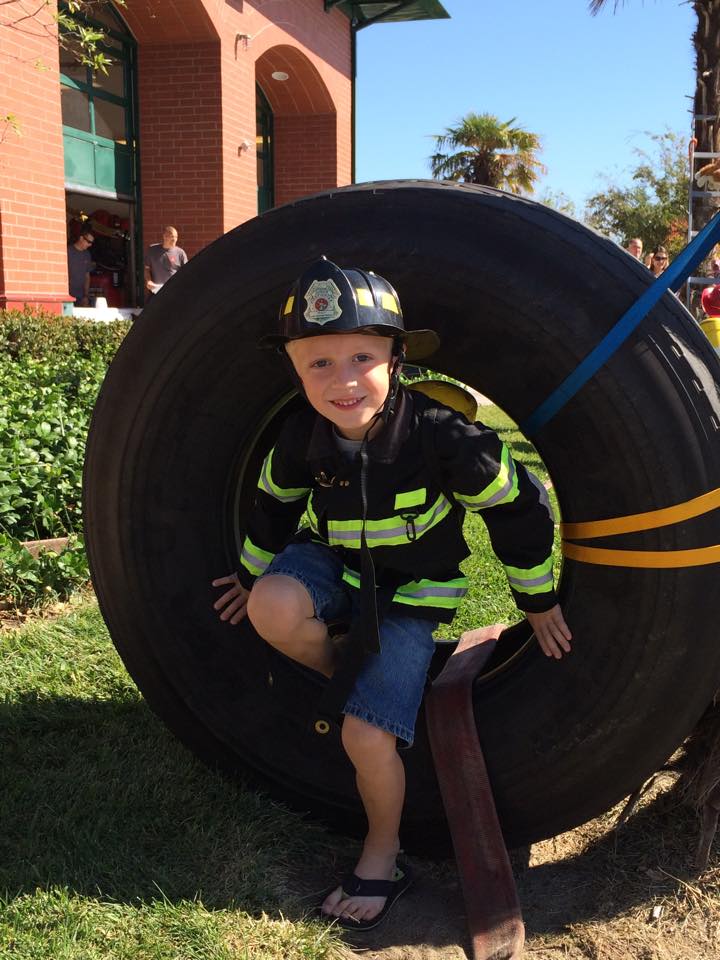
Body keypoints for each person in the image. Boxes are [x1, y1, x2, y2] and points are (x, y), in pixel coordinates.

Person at [211, 258, 572, 930]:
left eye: (361, 357)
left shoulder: (444, 436)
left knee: (367, 735)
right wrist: (251, 570)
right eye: (317, 363)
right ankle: (348, 674)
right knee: (271, 605)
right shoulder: (301, 434)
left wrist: (537, 599)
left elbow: (519, 507)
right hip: (337, 566)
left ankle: (384, 850)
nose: (342, 380)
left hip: (413, 591)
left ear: (397, 358)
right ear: (294, 369)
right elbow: (270, 504)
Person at [143, 225, 188, 295]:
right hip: (156, 291)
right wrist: (148, 281)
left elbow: (186, 272)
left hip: (174, 291)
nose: (175, 240)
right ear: (165, 236)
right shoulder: (152, 251)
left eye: (176, 237)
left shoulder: (180, 253)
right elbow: (146, 269)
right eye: (172, 237)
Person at [67, 228, 95, 306]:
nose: (90, 245)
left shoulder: (87, 254)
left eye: (91, 243)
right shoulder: (68, 252)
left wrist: (86, 296)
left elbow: (87, 276)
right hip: (68, 296)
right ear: (81, 238)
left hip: (81, 297)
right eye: (89, 242)